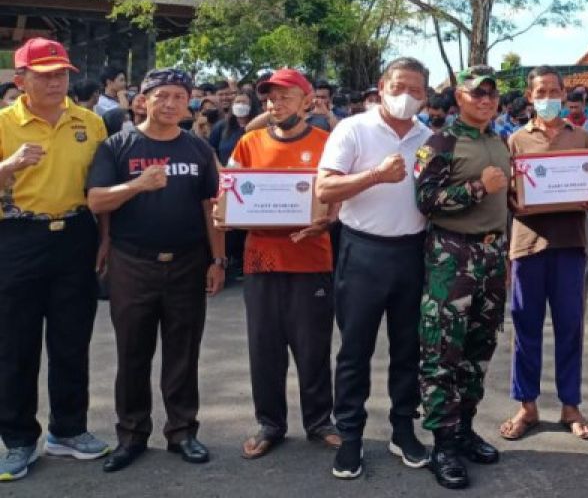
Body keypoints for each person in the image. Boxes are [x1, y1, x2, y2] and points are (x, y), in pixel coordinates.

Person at [85, 69, 224, 472]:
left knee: (183, 351)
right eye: (160, 96)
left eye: (178, 97)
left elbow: (210, 209)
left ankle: (182, 431)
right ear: (141, 100)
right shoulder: (117, 146)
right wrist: (137, 185)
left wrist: (218, 260)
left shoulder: (197, 150)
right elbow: (96, 201)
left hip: (187, 262)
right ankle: (131, 435)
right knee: (132, 352)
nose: (169, 103)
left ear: (188, 103)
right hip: (133, 262)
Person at [316, 57, 433, 479]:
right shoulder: (353, 129)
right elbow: (325, 187)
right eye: (400, 86)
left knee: (408, 348)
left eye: (417, 90)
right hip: (362, 250)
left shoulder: (430, 136)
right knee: (354, 350)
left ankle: (403, 429)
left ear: (426, 95)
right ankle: (349, 436)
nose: (407, 96)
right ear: (382, 86)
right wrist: (374, 176)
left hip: (412, 252)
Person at [0, 38, 111, 481]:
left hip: (77, 236)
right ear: (20, 78)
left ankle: (68, 430)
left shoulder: (90, 122)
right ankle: (18, 439)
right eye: (44, 74)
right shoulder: (5, 122)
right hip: (16, 236)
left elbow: (99, 188)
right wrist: (7, 165)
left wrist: (104, 239)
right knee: (15, 345)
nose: (55, 81)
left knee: (71, 339)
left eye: (61, 73)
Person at [224, 68, 340, 460]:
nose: (275, 104)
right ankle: (269, 423)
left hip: (312, 259)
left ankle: (320, 420)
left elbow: (338, 199)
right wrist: (223, 214)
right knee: (264, 347)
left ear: (308, 101)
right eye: (270, 98)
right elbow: (229, 193)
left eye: (285, 97)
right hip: (261, 260)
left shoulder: (329, 143)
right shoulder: (249, 142)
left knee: (313, 347)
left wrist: (329, 219)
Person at [414, 65, 511, 490]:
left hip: (492, 253)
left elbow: (509, 196)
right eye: (478, 94)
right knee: (442, 351)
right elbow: (425, 200)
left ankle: (465, 428)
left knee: (479, 347)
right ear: (459, 98)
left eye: (492, 94)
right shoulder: (441, 142)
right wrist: (477, 189)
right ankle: (443, 444)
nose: (486, 100)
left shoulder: (499, 140)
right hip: (452, 255)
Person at [499, 66, 588, 445]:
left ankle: (570, 405)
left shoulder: (583, 136)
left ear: (564, 94)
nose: (548, 97)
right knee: (526, 328)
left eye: (555, 90)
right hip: (528, 245)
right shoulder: (516, 141)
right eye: (541, 90)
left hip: (571, 244)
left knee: (570, 328)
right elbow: (510, 196)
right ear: (530, 97)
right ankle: (527, 405)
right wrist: (517, 200)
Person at [209, 91, 259, 167]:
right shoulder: (221, 126)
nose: (240, 105)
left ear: (251, 106)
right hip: (226, 174)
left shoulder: (258, 127)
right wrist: (219, 167)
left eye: (244, 102)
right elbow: (211, 149)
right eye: (237, 102)